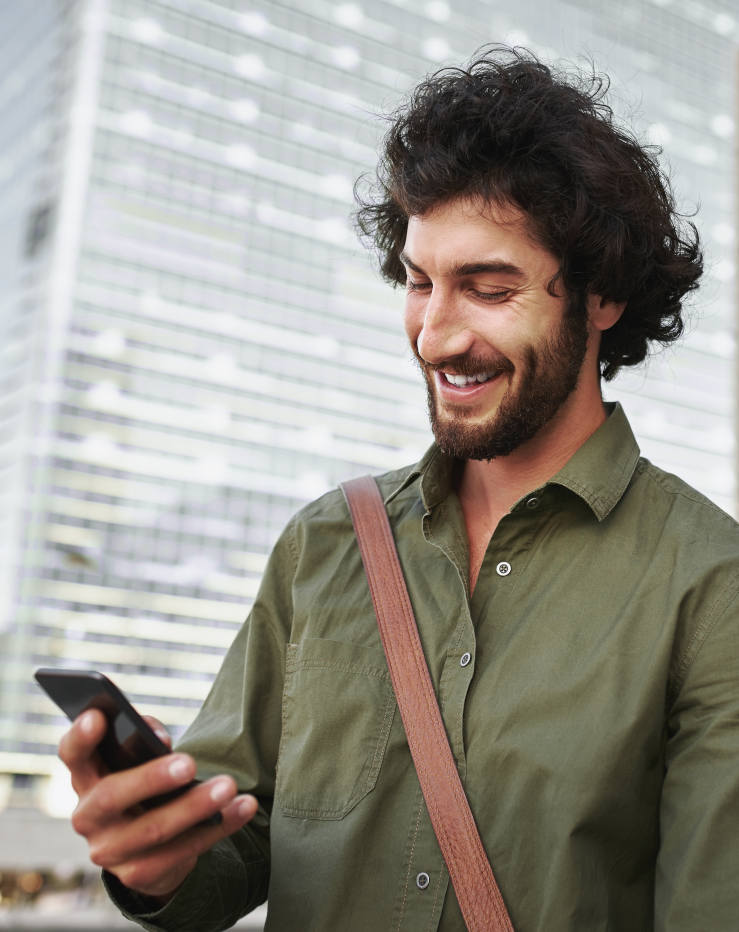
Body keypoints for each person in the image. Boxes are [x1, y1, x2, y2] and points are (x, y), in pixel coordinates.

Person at [58, 47, 738, 931]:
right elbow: (231, 852)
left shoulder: (711, 585)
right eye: (419, 284)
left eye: (488, 289)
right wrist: (156, 859)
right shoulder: (324, 543)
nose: (434, 337)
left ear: (600, 298)